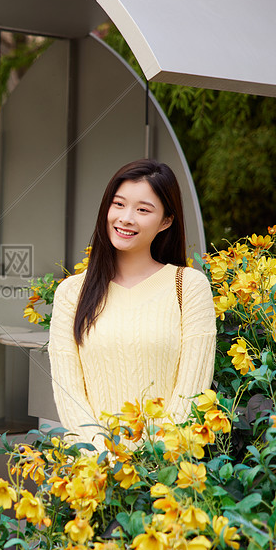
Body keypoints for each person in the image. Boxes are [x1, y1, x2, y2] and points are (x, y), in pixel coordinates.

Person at [48, 159, 215, 453]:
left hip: (166, 476)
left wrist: (155, 461)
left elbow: (192, 390)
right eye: (119, 204)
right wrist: (105, 462)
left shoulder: (188, 286)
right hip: (93, 478)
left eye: (143, 210)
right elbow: (69, 394)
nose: (126, 218)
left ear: (166, 221)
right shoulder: (71, 293)